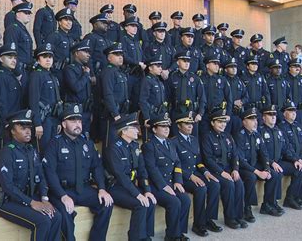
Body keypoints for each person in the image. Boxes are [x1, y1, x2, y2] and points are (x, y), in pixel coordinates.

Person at [43, 103, 114, 241]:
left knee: (106, 204)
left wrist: (102, 189)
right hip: (62, 191)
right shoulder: (54, 143)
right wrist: (62, 195)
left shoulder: (87, 143)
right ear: (64, 124)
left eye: (80, 121)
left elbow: (97, 166)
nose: (78, 124)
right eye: (73, 121)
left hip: (83, 189)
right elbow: (49, 172)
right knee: (65, 213)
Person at [0, 109, 62, 241]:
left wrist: (44, 199)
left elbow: (41, 177)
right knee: (43, 221)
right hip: (8, 201)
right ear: (13, 131)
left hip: (29, 197)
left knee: (56, 216)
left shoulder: (32, 150)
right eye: (23, 128)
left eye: (29, 128)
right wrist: (31, 202)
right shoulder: (6, 153)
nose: (28, 131)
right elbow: (7, 186)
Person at [104, 113, 156, 241]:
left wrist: (147, 191)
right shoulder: (114, 148)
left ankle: (145, 236)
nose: (137, 130)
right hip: (116, 188)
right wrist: (138, 194)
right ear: (124, 131)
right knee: (140, 204)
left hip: (129, 187)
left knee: (150, 201)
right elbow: (120, 176)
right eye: (134, 128)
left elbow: (142, 170)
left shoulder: (134, 146)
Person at [172, 112, 222, 236]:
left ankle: (208, 219)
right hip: (182, 176)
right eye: (186, 124)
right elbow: (174, 166)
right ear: (179, 126)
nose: (190, 126)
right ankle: (198, 224)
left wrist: (206, 172)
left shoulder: (194, 140)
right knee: (200, 188)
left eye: (191, 124)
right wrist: (190, 176)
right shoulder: (173, 141)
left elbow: (198, 161)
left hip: (195, 172)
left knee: (215, 184)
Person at [142, 112, 191, 241]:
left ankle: (178, 232)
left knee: (185, 199)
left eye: (168, 126)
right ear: (154, 129)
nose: (166, 129)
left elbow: (177, 163)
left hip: (171, 183)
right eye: (162, 126)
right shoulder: (149, 145)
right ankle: (171, 236)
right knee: (174, 202)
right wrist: (164, 186)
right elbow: (152, 169)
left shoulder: (170, 143)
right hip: (156, 185)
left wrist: (178, 181)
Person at [202, 108, 247, 229]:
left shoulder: (228, 136)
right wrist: (221, 173)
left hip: (228, 169)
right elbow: (208, 159)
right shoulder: (207, 137)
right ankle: (230, 217)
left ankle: (239, 216)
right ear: (212, 123)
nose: (223, 124)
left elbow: (234, 155)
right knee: (229, 184)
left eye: (224, 122)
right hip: (214, 171)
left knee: (239, 183)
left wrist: (235, 169)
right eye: (219, 122)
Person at [234, 108, 281, 222]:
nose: (255, 122)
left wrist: (266, 168)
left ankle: (268, 204)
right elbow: (240, 159)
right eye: (251, 119)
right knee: (251, 177)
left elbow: (264, 153)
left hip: (255, 164)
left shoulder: (256, 134)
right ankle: (247, 208)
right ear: (244, 121)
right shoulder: (239, 135)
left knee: (274, 174)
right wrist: (257, 171)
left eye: (255, 119)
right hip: (243, 167)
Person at [259, 105, 302, 212]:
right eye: (270, 115)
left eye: (274, 114)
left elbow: (286, 148)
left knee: (299, 169)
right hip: (265, 163)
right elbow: (260, 153)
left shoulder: (278, 130)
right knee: (276, 174)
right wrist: (271, 163)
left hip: (278, 162)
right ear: (263, 117)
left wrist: (295, 160)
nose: (273, 117)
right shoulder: (260, 131)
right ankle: (268, 204)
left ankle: (290, 198)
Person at [29, 43, 62, 153]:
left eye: (50, 57)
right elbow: (33, 101)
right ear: (38, 60)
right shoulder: (36, 75)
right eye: (44, 57)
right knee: (43, 151)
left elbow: (57, 101)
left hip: (53, 118)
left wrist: (58, 121)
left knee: (52, 151)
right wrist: (37, 123)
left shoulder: (52, 76)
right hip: (43, 120)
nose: (48, 60)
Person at [0, 43, 22, 155]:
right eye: (9, 57)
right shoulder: (0, 77)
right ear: (1, 59)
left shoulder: (10, 75)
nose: (13, 60)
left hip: (13, 123)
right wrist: (7, 124)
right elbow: (1, 103)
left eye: (14, 58)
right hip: (5, 124)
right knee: (3, 156)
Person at [165, 51, 206, 137]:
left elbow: (202, 98)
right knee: (176, 139)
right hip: (176, 112)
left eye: (188, 61)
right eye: (184, 60)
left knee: (192, 140)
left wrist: (200, 113)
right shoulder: (172, 77)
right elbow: (167, 98)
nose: (187, 63)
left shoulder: (195, 78)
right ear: (178, 62)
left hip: (191, 114)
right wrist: (167, 114)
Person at [99, 43, 129, 152]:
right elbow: (108, 94)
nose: (120, 56)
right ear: (109, 57)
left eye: (121, 54)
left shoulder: (119, 72)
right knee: (110, 145)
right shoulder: (108, 72)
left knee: (118, 145)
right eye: (116, 54)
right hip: (111, 115)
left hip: (121, 113)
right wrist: (115, 113)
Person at [63, 39, 94, 137]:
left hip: (86, 110)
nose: (88, 54)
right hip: (74, 111)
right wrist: (85, 75)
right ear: (76, 53)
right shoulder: (70, 69)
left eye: (88, 52)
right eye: (85, 51)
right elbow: (76, 88)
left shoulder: (85, 69)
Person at [3, 1, 34, 97]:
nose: (28, 15)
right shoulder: (13, 28)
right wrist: (17, 73)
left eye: (29, 13)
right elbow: (11, 52)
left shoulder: (23, 29)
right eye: (26, 13)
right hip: (18, 71)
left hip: (26, 70)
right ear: (18, 14)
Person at [139, 54, 168, 142]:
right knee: (149, 141)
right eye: (157, 66)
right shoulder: (147, 80)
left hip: (159, 114)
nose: (160, 68)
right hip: (150, 115)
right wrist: (146, 117)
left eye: (161, 66)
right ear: (150, 68)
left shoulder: (159, 81)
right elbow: (143, 100)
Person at [120, 16, 145, 113]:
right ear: (126, 27)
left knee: (136, 101)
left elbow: (141, 57)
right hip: (129, 73)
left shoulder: (136, 41)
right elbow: (124, 56)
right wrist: (137, 63)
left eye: (136, 26)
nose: (135, 28)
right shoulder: (124, 39)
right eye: (132, 26)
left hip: (138, 74)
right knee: (127, 100)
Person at [46, 8, 75, 87]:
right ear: (59, 22)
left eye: (70, 20)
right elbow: (47, 54)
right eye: (66, 20)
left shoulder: (71, 39)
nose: (69, 22)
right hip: (57, 72)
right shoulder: (54, 36)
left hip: (69, 73)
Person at [224, 58, 249, 134]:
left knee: (238, 135)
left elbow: (246, 96)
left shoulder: (239, 82)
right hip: (227, 113)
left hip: (238, 114)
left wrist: (241, 101)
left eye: (235, 67)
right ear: (226, 69)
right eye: (231, 67)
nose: (234, 69)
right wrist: (233, 103)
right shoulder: (223, 81)